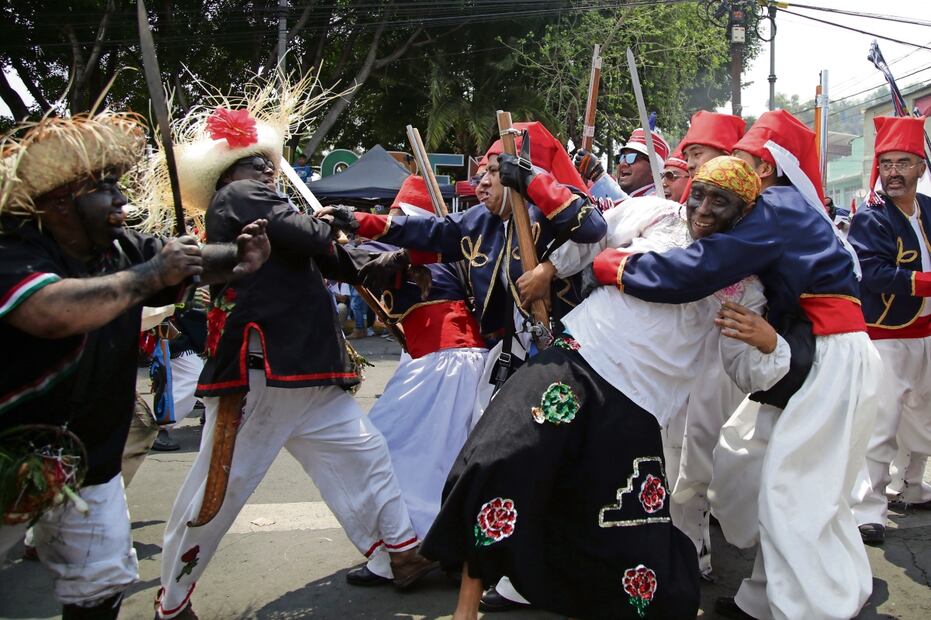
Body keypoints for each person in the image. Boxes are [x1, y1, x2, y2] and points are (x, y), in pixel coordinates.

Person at [423, 157, 779, 620]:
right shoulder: (654, 212)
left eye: (722, 202)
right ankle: (466, 608)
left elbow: (744, 370)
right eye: (700, 195)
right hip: (577, 355)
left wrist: (768, 345)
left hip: (639, 403)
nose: (705, 209)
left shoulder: (745, 285)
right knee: (500, 459)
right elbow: (591, 238)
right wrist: (549, 270)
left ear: (744, 212)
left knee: (627, 537)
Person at [153, 84, 433, 619]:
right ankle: (172, 599)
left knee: (365, 454)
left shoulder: (268, 205)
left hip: (302, 370)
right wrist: (334, 224)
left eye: (267, 163)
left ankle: (399, 553)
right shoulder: (239, 198)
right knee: (218, 494)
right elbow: (311, 237)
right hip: (261, 368)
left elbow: (334, 260)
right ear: (234, 169)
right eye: (258, 162)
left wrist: (378, 256)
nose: (268, 170)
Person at [589, 110, 880, 620]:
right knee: (758, 470)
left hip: (827, 354)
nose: (726, 171)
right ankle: (767, 599)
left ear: (765, 170)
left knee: (796, 493)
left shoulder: (773, 209)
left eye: (739, 162)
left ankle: (814, 610)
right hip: (810, 353)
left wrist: (618, 266)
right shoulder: (785, 209)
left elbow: (696, 270)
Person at [0, 111, 270, 620]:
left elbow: (187, 260)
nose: (122, 202)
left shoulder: (122, 249)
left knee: (99, 583)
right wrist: (149, 275)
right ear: (61, 201)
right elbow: (52, 312)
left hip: (89, 461)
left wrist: (237, 254)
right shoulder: (14, 250)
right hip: (6, 450)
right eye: (104, 189)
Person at [345, 175, 490, 586]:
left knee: (401, 453)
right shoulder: (428, 252)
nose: (390, 220)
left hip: (446, 363)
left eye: (396, 215)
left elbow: (354, 252)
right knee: (427, 456)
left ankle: (419, 545)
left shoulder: (428, 253)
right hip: (441, 361)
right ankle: (422, 546)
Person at [661, 109, 746, 579]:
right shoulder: (676, 215)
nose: (690, 165)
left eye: (699, 154)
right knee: (678, 451)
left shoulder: (749, 225)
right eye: (688, 156)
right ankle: (690, 552)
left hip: (726, 356)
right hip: (679, 354)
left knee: (714, 456)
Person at [849, 115, 931, 544]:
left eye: (903, 162)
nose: (893, 172)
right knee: (882, 420)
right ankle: (868, 508)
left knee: (923, 412)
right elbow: (872, 273)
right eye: (887, 163)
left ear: (921, 167)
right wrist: (925, 283)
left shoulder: (930, 210)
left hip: (927, 330)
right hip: (888, 332)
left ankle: (913, 486)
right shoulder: (872, 217)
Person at [614, 127, 670, 197]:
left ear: (654, 170)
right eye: (621, 158)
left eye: (632, 157)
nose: (622, 164)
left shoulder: (657, 203)